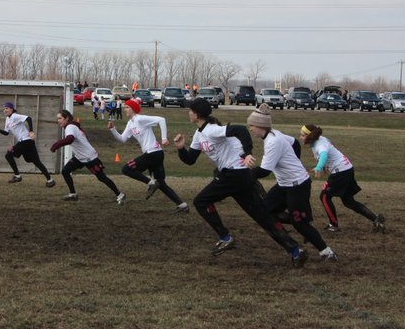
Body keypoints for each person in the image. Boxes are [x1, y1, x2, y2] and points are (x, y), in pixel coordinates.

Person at [174, 98, 308, 265]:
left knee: (200, 201)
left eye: (190, 110)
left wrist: (247, 153)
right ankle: (295, 251)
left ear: (196, 114)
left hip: (235, 174)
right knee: (262, 215)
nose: (188, 113)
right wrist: (181, 149)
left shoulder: (212, 130)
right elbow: (190, 160)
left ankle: (225, 237)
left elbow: (241, 130)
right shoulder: (198, 135)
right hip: (238, 176)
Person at [245, 104, 338, 261]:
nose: (251, 129)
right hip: (284, 185)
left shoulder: (273, 141)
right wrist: (294, 162)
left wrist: (242, 175)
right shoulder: (274, 134)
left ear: (261, 125)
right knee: (265, 211)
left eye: (252, 125)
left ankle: (327, 252)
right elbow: (295, 142)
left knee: (299, 224)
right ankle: (301, 223)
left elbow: (264, 171)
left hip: (298, 185)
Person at [299, 124, 386, 233]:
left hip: (341, 172)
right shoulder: (321, 139)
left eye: (303, 135)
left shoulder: (319, 144)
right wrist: (326, 164)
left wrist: (319, 167)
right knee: (348, 201)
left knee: (324, 196)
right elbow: (329, 144)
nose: (300, 137)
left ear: (310, 135)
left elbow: (324, 154)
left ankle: (333, 225)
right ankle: (376, 219)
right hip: (347, 169)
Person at [108, 98, 189, 213]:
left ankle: (151, 183)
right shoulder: (130, 123)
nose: (124, 109)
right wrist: (113, 129)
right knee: (161, 184)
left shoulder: (140, 119)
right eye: (125, 107)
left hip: (154, 153)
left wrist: (164, 138)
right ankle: (182, 205)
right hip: (153, 154)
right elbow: (122, 139)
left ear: (133, 109)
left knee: (126, 169)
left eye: (127, 107)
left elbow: (161, 120)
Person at [50, 109, 126, 204]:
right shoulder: (72, 126)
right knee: (65, 171)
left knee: (102, 177)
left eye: (60, 118)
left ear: (67, 118)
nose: (58, 121)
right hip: (80, 157)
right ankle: (73, 194)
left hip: (89, 157)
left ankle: (120, 195)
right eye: (57, 119)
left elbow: (70, 139)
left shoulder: (70, 127)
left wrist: (56, 145)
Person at [0, 102, 56, 187]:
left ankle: (17, 176)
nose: (4, 110)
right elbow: (6, 133)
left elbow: (29, 118)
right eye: (4, 108)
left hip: (26, 141)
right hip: (27, 142)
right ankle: (50, 180)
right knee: (34, 161)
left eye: (7, 108)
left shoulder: (15, 116)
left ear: (11, 109)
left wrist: (31, 131)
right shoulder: (7, 119)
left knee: (8, 155)